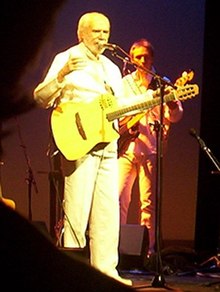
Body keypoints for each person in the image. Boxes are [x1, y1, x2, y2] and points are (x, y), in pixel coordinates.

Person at [33, 12, 156, 286]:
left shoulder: (112, 68)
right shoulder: (66, 58)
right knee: (76, 210)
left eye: (106, 32)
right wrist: (63, 74)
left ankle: (106, 274)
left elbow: (121, 106)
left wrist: (150, 99)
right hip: (78, 142)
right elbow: (40, 97)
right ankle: (72, 273)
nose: (103, 37)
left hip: (108, 144)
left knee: (107, 211)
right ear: (82, 33)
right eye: (97, 32)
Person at [118, 38, 184, 257]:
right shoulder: (124, 83)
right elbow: (117, 111)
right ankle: (118, 250)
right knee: (118, 198)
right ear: (131, 58)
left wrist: (173, 105)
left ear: (152, 58)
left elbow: (175, 116)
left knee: (148, 203)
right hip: (126, 148)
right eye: (138, 57)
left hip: (150, 149)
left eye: (146, 56)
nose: (142, 60)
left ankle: (148, 251)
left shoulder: (162, 83)